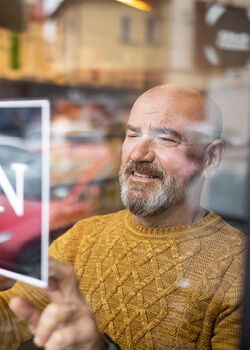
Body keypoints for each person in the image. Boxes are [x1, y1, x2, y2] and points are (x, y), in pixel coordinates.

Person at [0, 84, 246, 350]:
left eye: (166, 139)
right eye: (132, 135)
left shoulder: (237, 267)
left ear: (210, 158)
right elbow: (10, 317)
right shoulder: (83, 237)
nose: (138, 154)